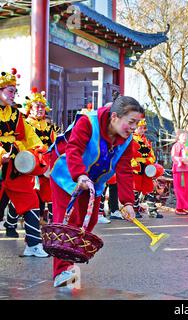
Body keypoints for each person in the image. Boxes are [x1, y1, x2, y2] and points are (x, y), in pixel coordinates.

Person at [49, 96, 143, 287]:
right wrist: (79, 175)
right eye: (131, 122)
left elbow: (124, 170)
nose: (134, 127)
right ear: (115, 117)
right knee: (69, 222)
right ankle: (62, 271)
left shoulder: (126, 139)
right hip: (68, 176)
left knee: (89, 221)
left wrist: (127, 203)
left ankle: (69, 260)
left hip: (94, 182)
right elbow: (74, 149)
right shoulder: (88, 121)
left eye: (137, 123)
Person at [0, 69, 49, 257]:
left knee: (31, 202)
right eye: (10, 90)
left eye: (14, 91)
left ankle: (34, 245)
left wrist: (39, 150)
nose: (14, 94)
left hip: (15, 167)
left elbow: (30, 136)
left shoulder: (16, 114)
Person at [23, 87, 60, 223]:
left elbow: (55, 143)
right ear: (30, 108)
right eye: (36, 106)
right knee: (32, 193)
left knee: (49, 192)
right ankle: (23, 221)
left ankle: (51, 220)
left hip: (46, 164)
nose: (39, 109)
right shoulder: (25, 124)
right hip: (30, 163)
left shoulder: (50, 126)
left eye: (42, 106)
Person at [132, 119, 163, 218]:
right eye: (139, 127)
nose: (141, 130)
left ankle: (152, 210)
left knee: (149, 188)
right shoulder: (131, 140)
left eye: (143, 128)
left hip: (146, 169)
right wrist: (137, 162)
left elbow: (152, 155)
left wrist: (148, 160)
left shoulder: (146, 141)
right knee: (135, 189)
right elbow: (129, 156)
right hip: (136, 169)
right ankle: (134, 210)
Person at [171, 129, 188, 215]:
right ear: (178, 137)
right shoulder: (176, 146)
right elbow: (174, 157)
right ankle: (179, 208)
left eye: (186, 136)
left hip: (186, 170)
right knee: (180, 189)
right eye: (182, 136)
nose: (185, 137)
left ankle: (184, 206)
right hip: (179, 170)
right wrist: (182, 160)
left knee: (186, 189)